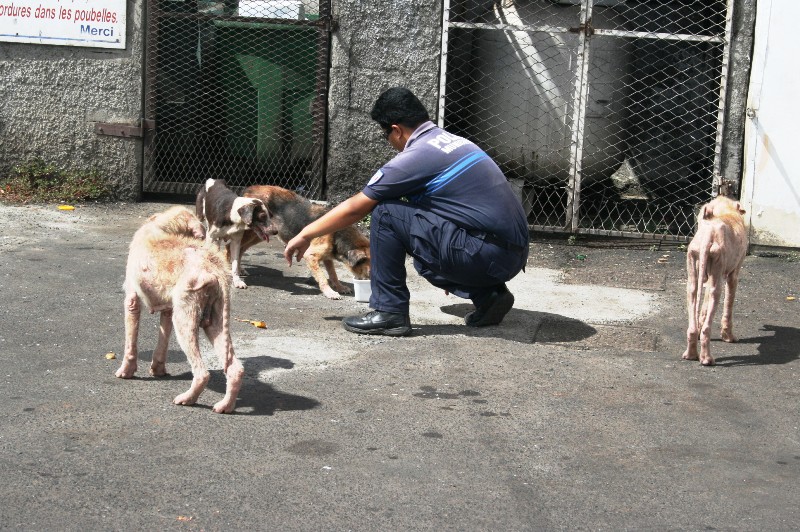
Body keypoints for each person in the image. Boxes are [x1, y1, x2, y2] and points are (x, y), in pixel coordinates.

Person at [284, 87, 529, 336]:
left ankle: (389, 311)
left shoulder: (417, 156)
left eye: (385, 135)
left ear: (396, 130)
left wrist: (305, 234)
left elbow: (356, 208)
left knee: (387, 213)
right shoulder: (453, 142)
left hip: (484, 254)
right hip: (509, 255)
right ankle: (489, 296)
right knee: (421, 249)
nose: (388, 142)